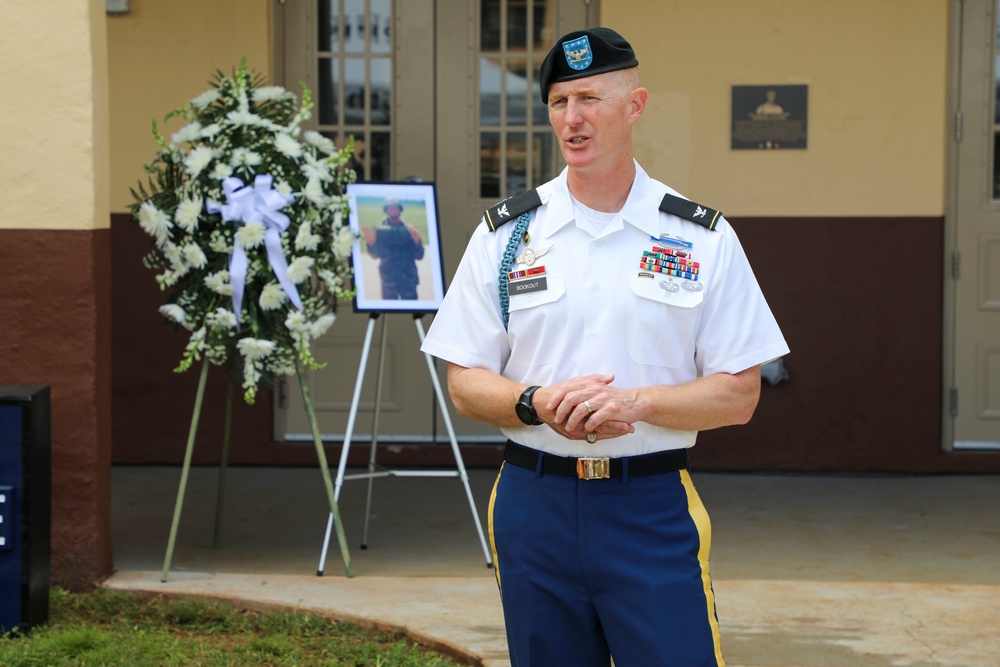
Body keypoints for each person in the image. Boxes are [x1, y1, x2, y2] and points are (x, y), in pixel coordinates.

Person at [421, 27, 788, 667]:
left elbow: (740, 393)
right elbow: (465, 379)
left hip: (649, 506)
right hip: (534, 507)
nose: (573, 118)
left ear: (635, 105)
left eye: (590, 98)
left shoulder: (701, 238)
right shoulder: (505, 236)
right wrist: (535, 401)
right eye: (559, 103)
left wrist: (639, 404)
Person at [360, 197, 425, 300]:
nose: (393, 210)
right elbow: (375, 255)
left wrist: (416, 240)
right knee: (390, 312)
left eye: (395, 208)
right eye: (390, 208)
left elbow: (419, 256)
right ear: (386, 210)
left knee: (411, 308)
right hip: (388, 280)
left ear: (400, 209)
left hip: (408, 278)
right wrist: (370, 242)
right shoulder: (380, 231)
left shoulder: (409, 230)